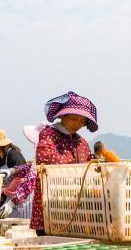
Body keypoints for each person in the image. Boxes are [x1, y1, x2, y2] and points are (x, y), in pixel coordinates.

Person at [30, 91, 98, 235]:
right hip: (52, 200)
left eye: (82, 121)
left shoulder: (81, 142)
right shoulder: (49, 134)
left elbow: (88, 163)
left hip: (75, 204)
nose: (78, 124)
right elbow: (45, 158)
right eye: (74, 119)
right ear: (63, 116)